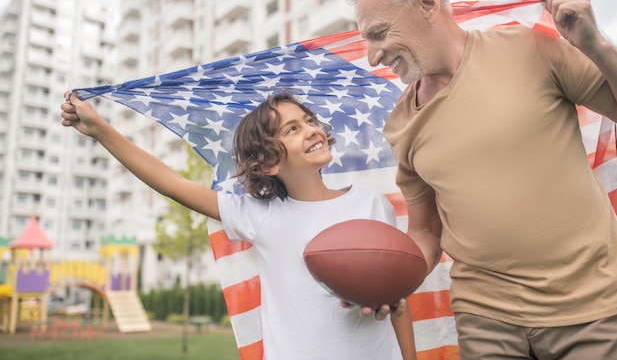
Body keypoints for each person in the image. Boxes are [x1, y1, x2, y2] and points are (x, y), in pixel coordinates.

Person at [346, 0, 617, 360]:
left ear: (426, 3)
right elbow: (425, 231)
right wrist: (389, 282)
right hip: (485, 316)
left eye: (379, 33)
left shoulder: (532, 48)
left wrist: (596, 45)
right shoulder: (401, 124)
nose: (373, 55)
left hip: (591, 307)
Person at [60, 91, 415, 360]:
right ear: (269, 163)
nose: (311, 130)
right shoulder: (259, 215)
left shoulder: (371, 204)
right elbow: (173, 184)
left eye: (310, 121)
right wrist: (101, 131)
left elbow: (398, 297)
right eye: (292, 129)